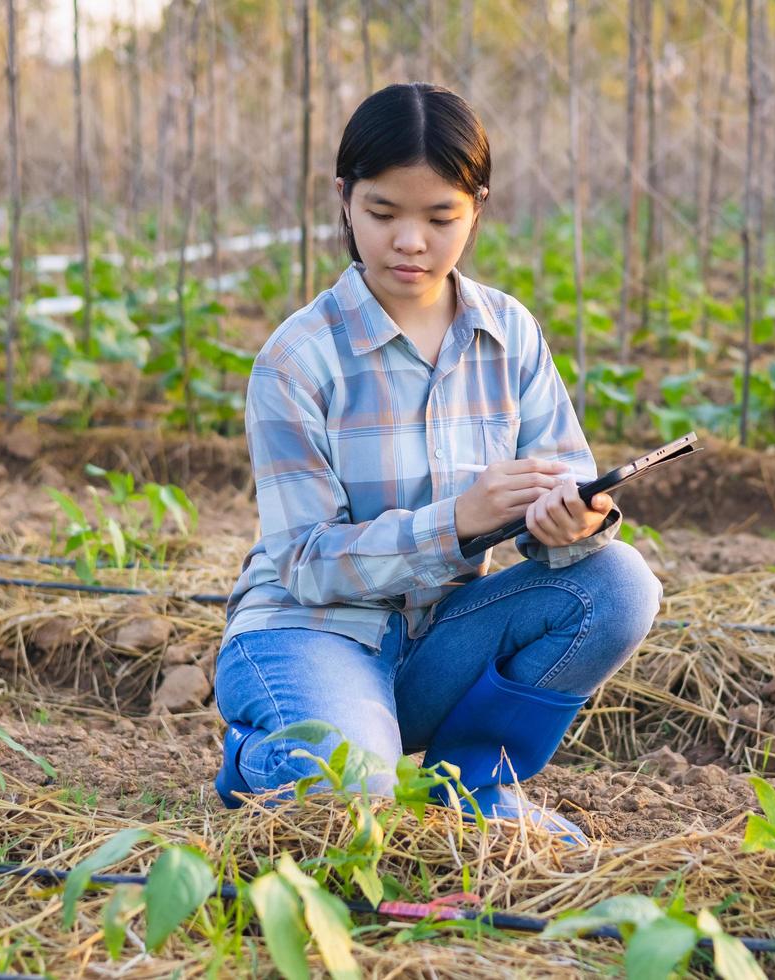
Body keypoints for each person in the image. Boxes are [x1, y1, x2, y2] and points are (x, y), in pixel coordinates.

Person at [213, 82, 662, 844]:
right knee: (347, 799)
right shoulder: (297, 359)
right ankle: (260, 758)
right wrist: (457, 522)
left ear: (477, 207)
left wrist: (570, 520)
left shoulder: (507, 333)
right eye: (383, 213)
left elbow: (568, 483)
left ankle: (470, 784)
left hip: (442, 638)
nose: (409, 242)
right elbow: (304, 563)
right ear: (345, 200)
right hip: (314, 632)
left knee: (618, 585)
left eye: (440, 217)